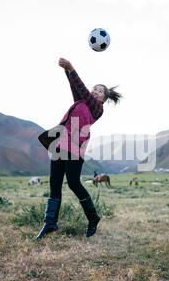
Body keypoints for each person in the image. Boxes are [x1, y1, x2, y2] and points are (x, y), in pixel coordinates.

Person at [36, 58, 122, 239]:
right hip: (60, 146)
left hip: (75, 149)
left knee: (74, 183)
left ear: (104, 99)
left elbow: (81, 88)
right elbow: (77, 89)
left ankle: (93, 217)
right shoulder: (81, 102)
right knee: (54, 185)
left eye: (100, 91)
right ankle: (50, 223)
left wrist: (72, 68)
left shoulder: (96, 108)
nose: (95, 92)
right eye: (95, 89)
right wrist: (67, 72)